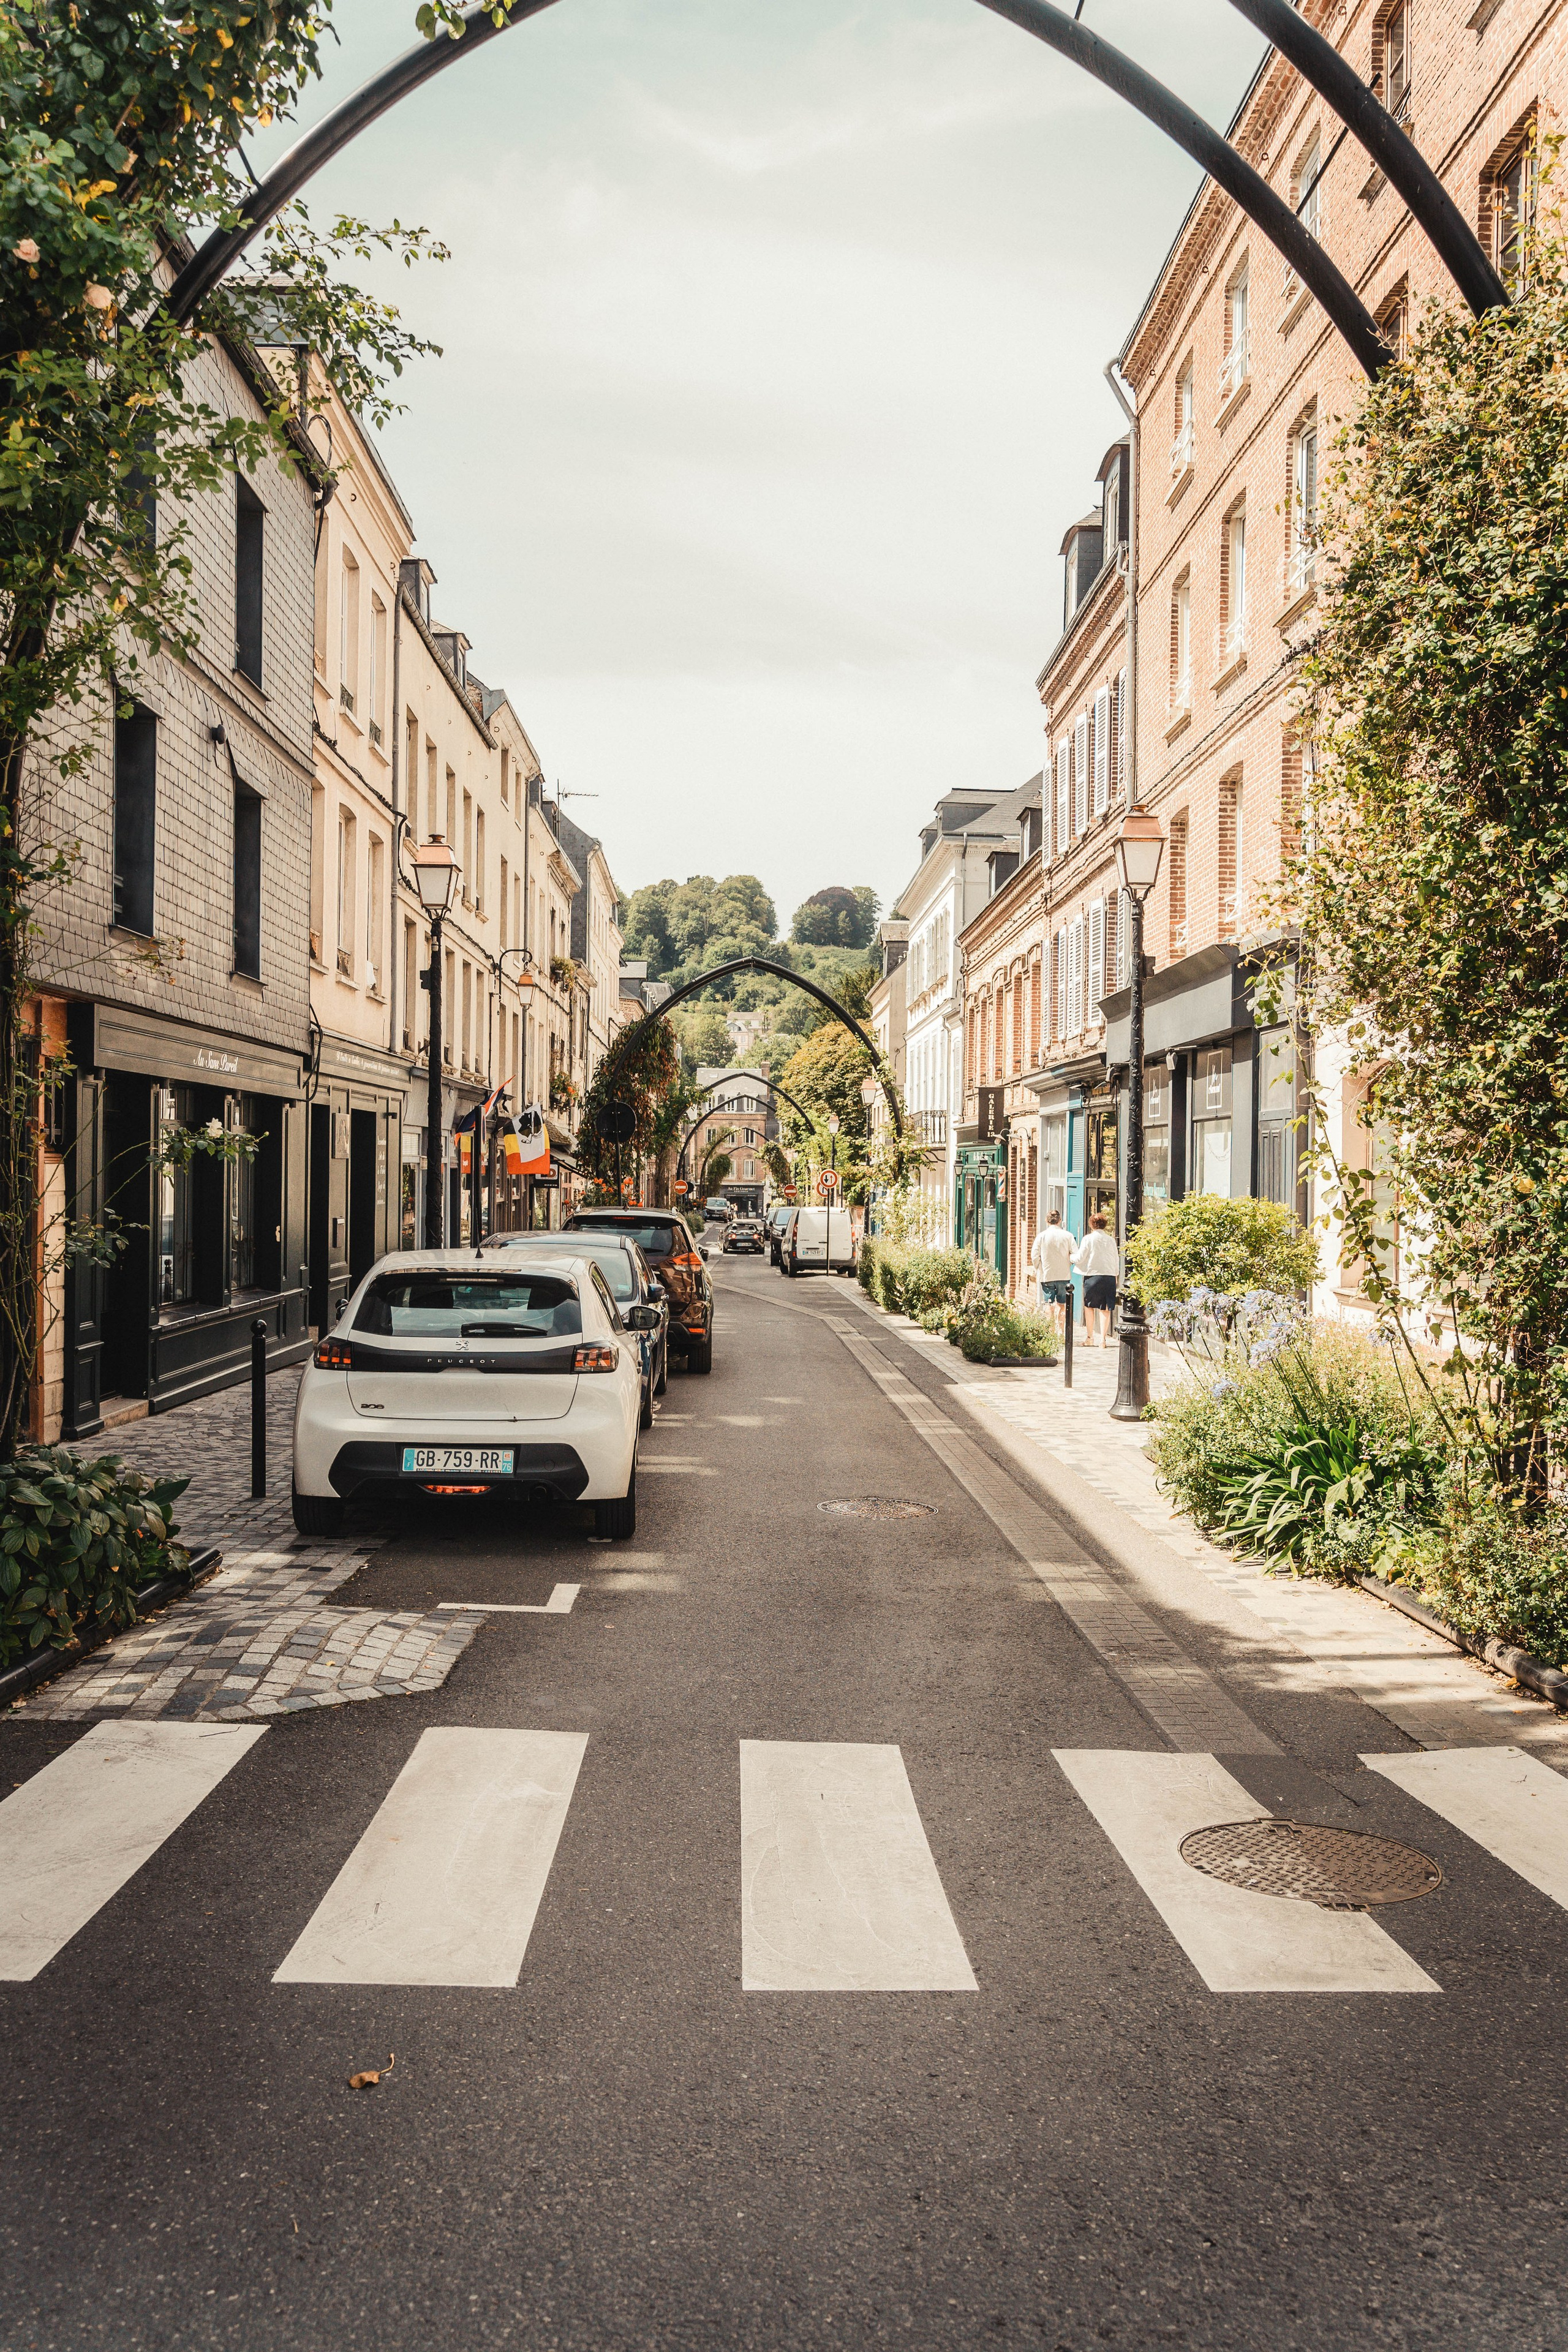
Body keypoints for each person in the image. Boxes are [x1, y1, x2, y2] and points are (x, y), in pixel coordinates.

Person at [1073, 1213, 1120, 1349]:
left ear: (1091, 1225)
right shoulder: (1111, 1240)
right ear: (1105, 1225)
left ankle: (1090, 1338)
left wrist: (1071, 1257)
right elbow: (1116, 1259)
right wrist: (1115, 1275)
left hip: (1092, 1276)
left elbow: (1080, 1258)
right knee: (1105, 1309)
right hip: (1109, 1276)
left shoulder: (1088, 1239)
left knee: (1089, 1307)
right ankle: (1103, 1340)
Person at [1029, 1210, 1076, 1341]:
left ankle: (1050, 1333)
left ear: (1047, 1220)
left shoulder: (1041, 1236)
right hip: (1063, 1274)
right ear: (1060, 1221)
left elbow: (1034, 1256)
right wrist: (1069, 1263)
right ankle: (1061, 1332)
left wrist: (1039, 1267)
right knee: (1062, 1304)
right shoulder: (1068, 1236)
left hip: (1047, 1274)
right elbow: (1075, 1254)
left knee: (1048, 1304)